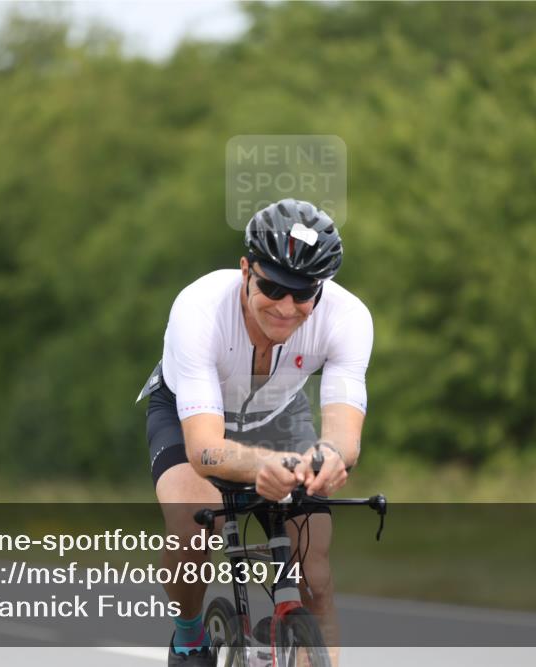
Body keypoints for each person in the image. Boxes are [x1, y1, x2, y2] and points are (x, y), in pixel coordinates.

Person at [139, 198, 373, 666]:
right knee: (195, 527)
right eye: (272, 287)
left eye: (303, 294)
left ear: (321, 289)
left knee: (316, 574)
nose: (287, 308)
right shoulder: (200, 309)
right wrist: (263, 464)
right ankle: (188, 635)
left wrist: (328, 459)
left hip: (278, 414)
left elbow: (344, 434)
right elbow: (204, 448)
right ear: (246, 269)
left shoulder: (349, 318)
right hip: (193, 412)